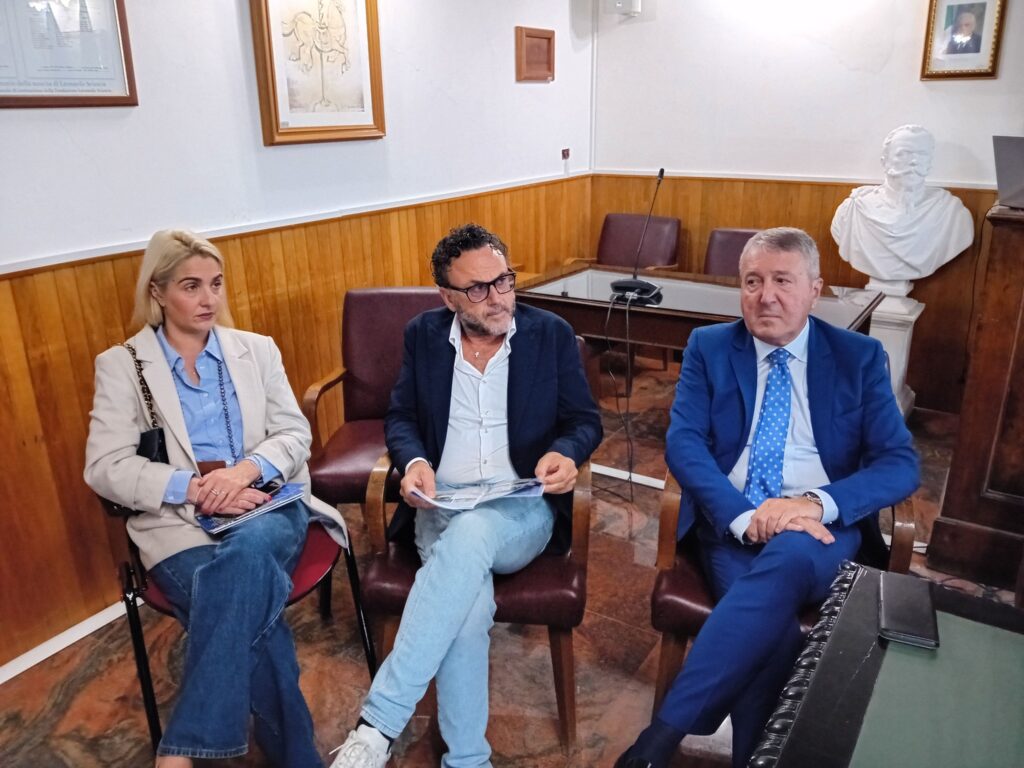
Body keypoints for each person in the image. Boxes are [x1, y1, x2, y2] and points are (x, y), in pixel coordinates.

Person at [615, 227, 919, 768]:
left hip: (820, 532)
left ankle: (657, 741)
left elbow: (900, 463)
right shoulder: (710, 347)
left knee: (791, 553)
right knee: (768, 634)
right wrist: (741, 516)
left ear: (814, 291)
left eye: (783, 281)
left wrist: (812, 503)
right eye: (752, 281)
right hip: (733, 526)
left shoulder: (858, 356)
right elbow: (685, 444)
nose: (766, 296)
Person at [328, 223, 602, 768]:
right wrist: (416, 464)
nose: (497, 297)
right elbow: (402, 417)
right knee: (469, 610)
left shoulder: (550, 334)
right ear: (447, 297)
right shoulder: (424, 335)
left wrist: (566, 452)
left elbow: (584, 420)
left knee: (474, 531)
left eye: (504, 280)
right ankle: (469, 759)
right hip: (442, 505)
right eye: (477, 288)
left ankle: (377, 725)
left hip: (519, 509)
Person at [85, 229, 346, 768]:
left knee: (246, 558)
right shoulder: (122, 365)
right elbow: (105, 467)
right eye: (191, 286)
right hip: (176, 522)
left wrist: (244, 472)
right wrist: (194, 488)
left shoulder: (256, 350)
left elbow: (294, 433)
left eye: (216, 283)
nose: (209, 299)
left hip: (265, 502)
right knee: (257, 622)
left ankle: (181, 748)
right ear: (157, 292)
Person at [830, 124, 973, 297]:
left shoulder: (951, 214)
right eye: (904, 153)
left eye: (922, 154)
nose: (914, 161)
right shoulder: (852, 211)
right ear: (884, 161)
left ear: (929, 162)